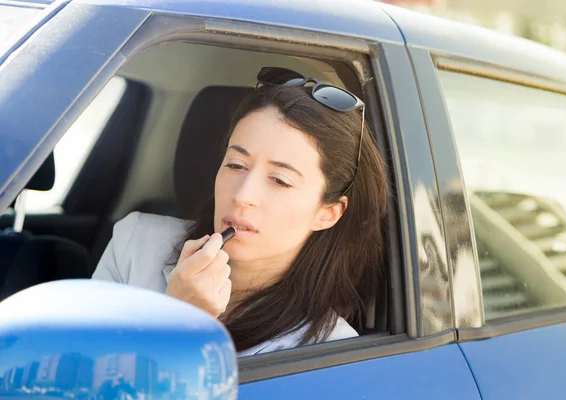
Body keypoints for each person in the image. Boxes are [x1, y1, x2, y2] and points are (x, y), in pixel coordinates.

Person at [92, 67, 388, 356]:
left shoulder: (329, 353)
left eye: (280, 180)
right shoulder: (136, 243)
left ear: (328, 213)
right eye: (236, 165)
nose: (243, 195)